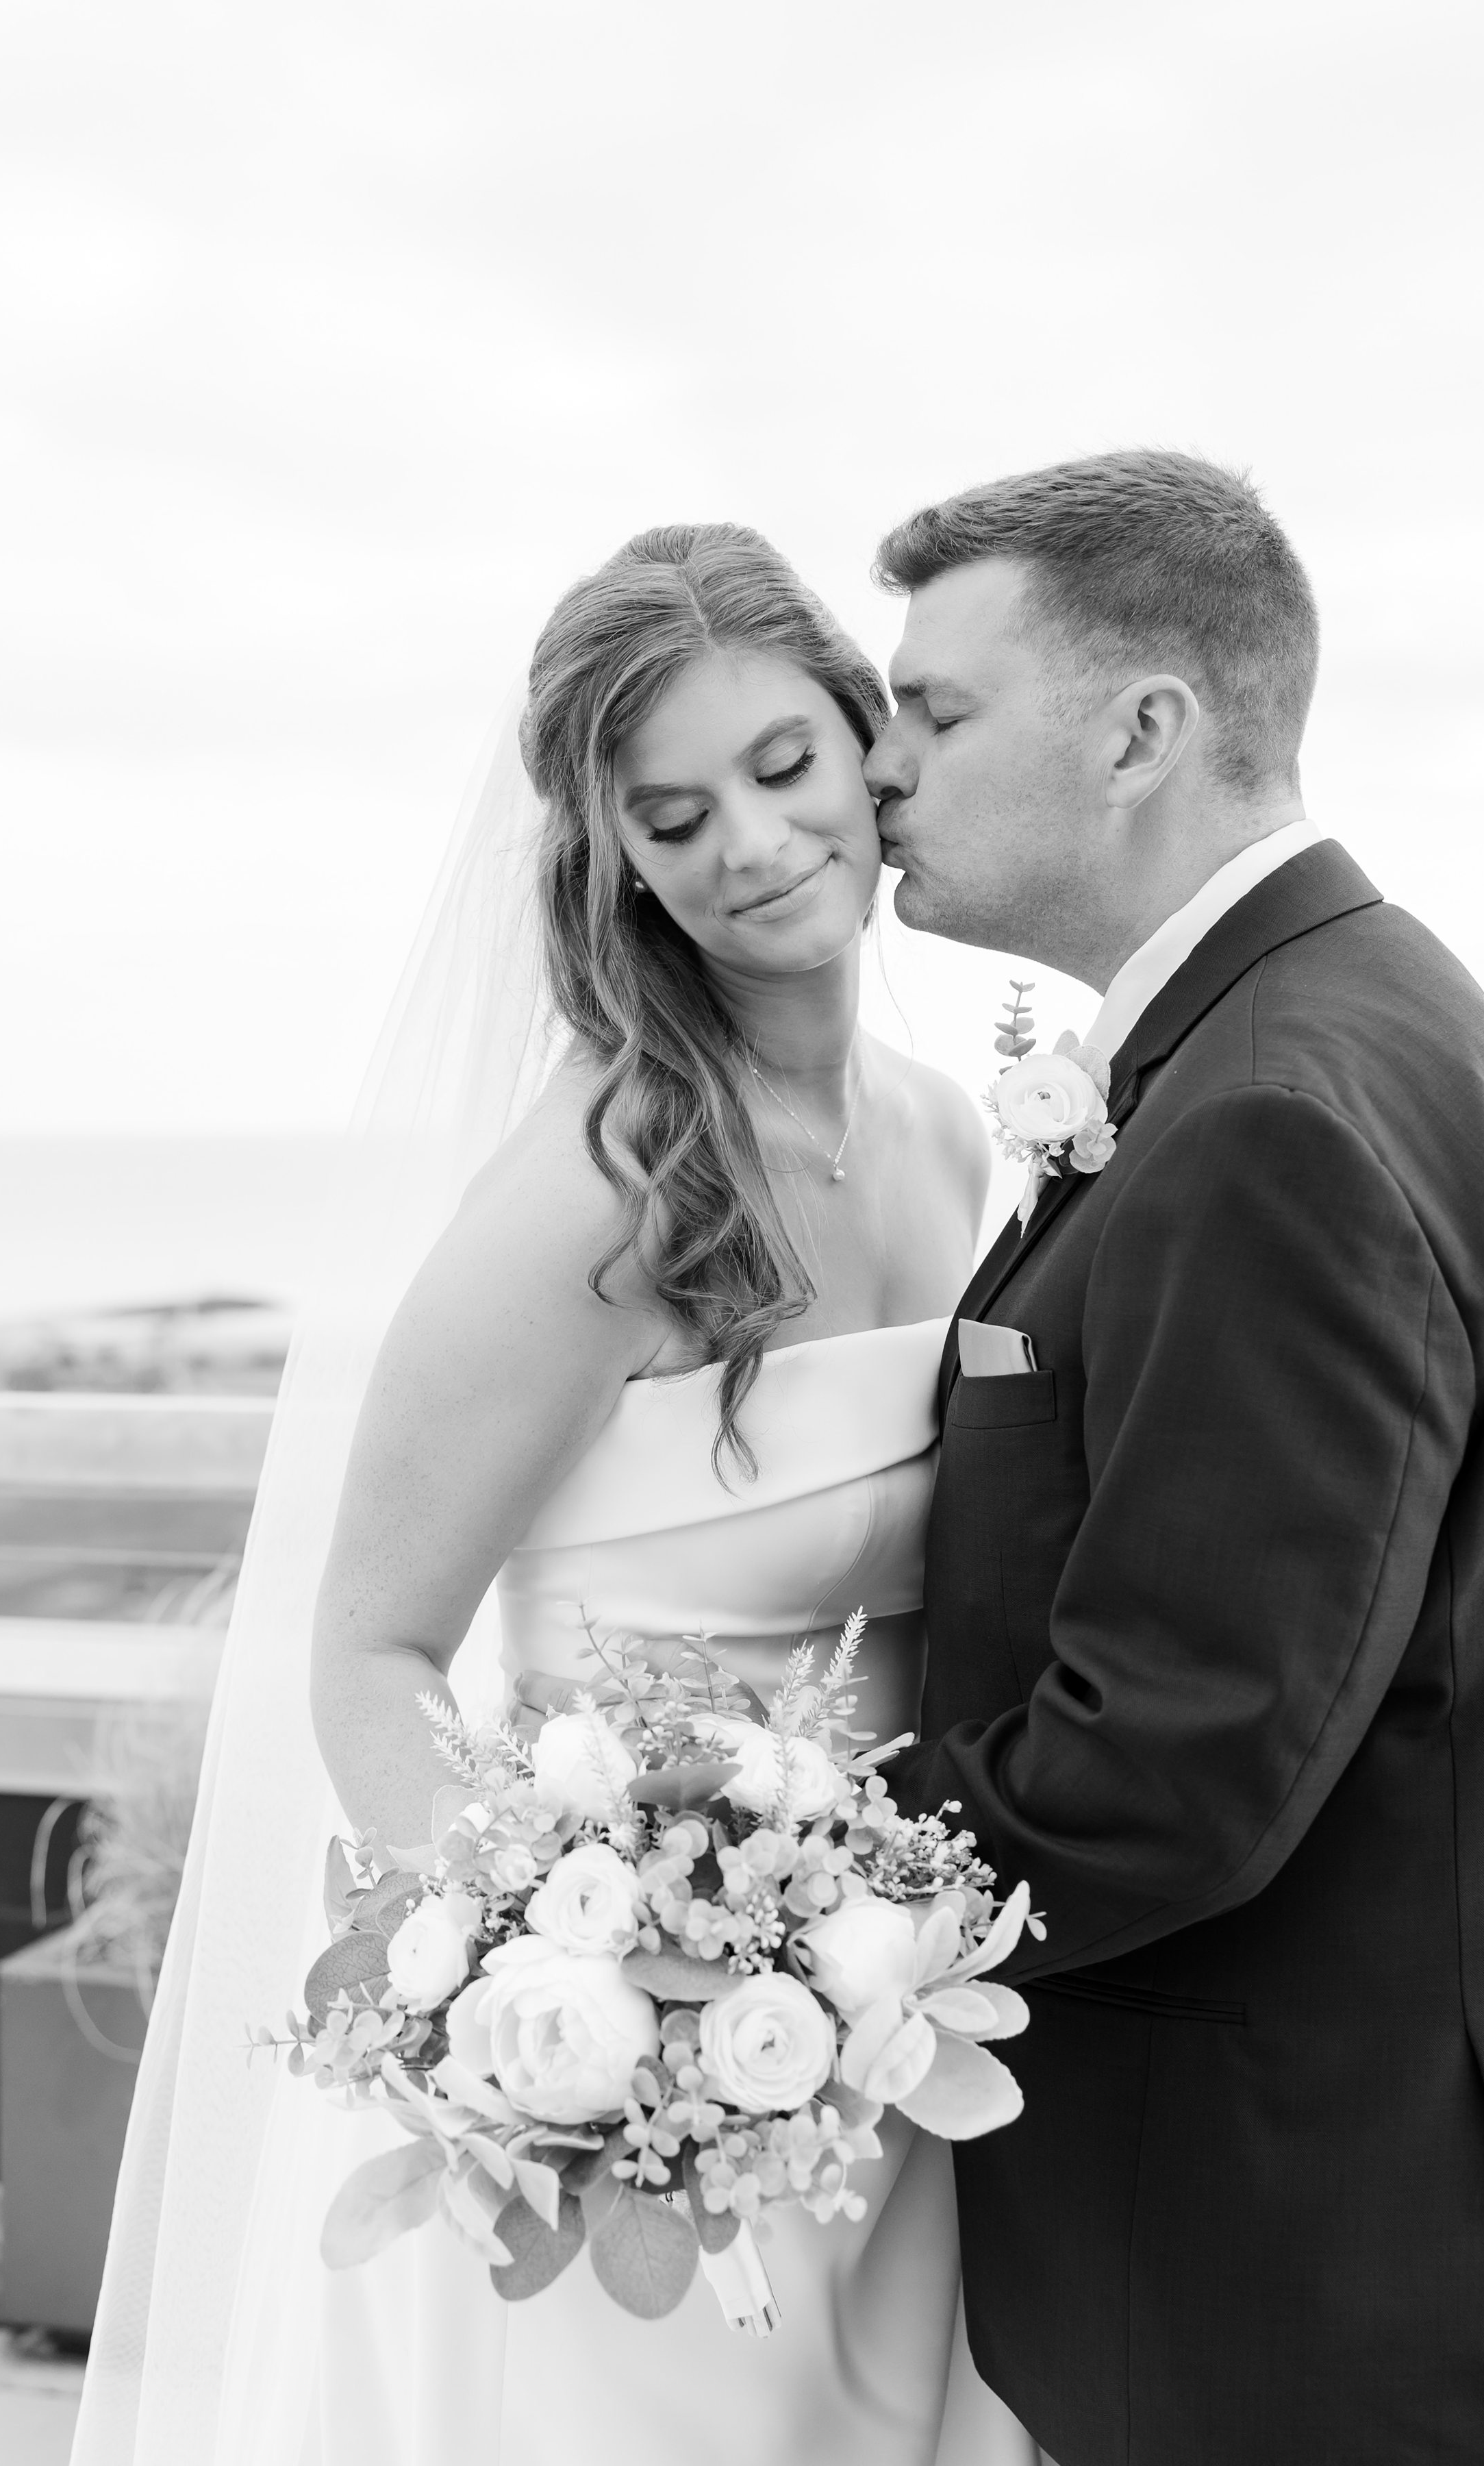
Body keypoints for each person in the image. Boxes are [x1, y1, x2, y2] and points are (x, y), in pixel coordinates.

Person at [866, 450, 1484, 2465]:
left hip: (1304, 2284)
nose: (878, 764)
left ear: (1144, 730)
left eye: (935, 710)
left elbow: (1175, 1758)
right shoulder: (1326, 1024)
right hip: (1330, 2224)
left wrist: (773, 1902)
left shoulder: (1271, 1110)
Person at [288, 523, 1037, 2465]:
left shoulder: (963, 1141)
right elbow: (370, 1651)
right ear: (612, 854)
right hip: (642, 2138)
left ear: (871, 743)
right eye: (674, 814)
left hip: (899, 2044)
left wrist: (841, 1982)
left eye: (786, 770)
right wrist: (566, 2001)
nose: (753, 847)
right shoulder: (599, 1193)